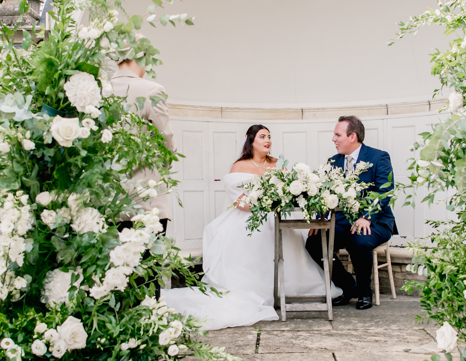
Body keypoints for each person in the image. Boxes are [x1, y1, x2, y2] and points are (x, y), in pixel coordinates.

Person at [162, 124, 342, 330]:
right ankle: (256, 291)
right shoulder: (240, 166)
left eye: (269, 136)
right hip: (248, 217)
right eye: (262, 136)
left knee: (284, 237)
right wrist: (261, 206)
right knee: (250, 238)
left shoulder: (277, 164)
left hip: (276, 216)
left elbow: (289, 194)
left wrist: (276, 204)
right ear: (251, 141)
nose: (268, 140)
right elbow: (238, 201)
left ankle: (287, 290)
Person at [305, 115, 394, 310]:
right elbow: (325, 195)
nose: (333, 139)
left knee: (359, 240)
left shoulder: (379, 157)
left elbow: (385, 191)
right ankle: (348, 286)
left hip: (377, 222)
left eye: (338, 135)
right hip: (344, 222)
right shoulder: (333, 161)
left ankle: (364, 292)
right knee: (314, 242)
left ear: (352, 137)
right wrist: (318, 220)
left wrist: (367, 217)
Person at [109, 57, 176, 234]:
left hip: (107, 203)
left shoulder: (99, 90)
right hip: (145, 200)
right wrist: (162, 169)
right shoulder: (151, 90)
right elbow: (167, 141)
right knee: (148, 259)